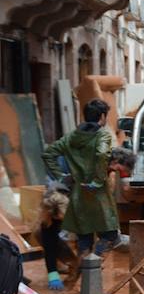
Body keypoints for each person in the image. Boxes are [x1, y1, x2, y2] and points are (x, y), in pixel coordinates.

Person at [42, 99, 126, 258]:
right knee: (109, 236)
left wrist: (62, 176)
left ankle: (86, 278)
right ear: (102, 116)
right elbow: (102, 154)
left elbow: (48, 154)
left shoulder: (70, 137)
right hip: (99, 197)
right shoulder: (102, 135)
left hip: (78, 195)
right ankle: (96, 268)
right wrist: (98, 181)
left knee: (84, 241)